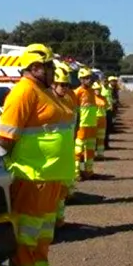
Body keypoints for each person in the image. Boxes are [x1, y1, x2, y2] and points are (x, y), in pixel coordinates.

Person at [0, 44, 76, 266]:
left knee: (42, 242)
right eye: (50, 65)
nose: (54, 70)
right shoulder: (23, 92)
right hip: (31, 180)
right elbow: (4, 139)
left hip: (50, 180)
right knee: (24, 245)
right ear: (35, 67)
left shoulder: (46, 91)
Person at [52, 63, 77, 228]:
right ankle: (52, 221)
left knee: (62, 190)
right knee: (52, 191)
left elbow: (74, 122)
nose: (64, 88)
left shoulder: (69, 100)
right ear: (53, 84)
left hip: (66, 151)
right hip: (52, 155)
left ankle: (60, 219)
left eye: (66, 85)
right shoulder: (48, 101)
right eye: (61, 84)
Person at [74, 69, 99, 179]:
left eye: (90, 78)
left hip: (92, 125)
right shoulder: (77, 92)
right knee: (78, 150)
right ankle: (76, 173)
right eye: (86, 78)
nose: (89, 80)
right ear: (81, 79)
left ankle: (89, 171)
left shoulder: (92, 91)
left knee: (90, 150)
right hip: (82, 126)